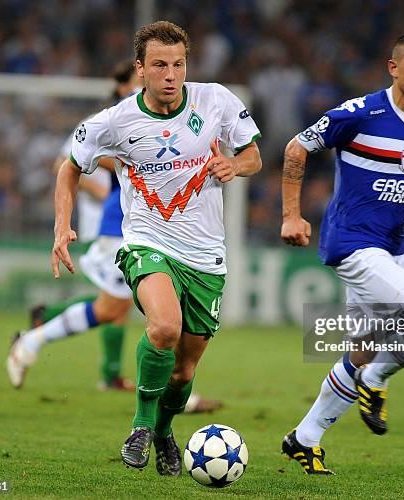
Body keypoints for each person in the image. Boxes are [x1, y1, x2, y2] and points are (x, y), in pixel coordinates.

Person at [51, 21, 262, 476]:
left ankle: (166, 428)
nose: (171, 74)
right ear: (140, 70)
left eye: (179, 64)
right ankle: (142, 426)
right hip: (148, 241)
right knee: (163, 326)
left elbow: (254, 156)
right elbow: (69, 168)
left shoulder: (216, 101)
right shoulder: (114, 122)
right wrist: (61, 227)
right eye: (160, 65)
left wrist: (235, 165)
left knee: (184, 372)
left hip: (206, 257)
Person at [279, 31, 404, 475]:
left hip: (394, 247)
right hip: (352, 243)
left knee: (363, 346)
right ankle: (374, 383)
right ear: (393, 67)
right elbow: (297, 147)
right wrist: (291, 216)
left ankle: (304, 437)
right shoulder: (361, 112)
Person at [6, 60, 140, 391]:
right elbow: (68, 162)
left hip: (141, 224)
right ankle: (174, 393)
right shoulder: (115, 117)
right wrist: (103, 183)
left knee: (117, 307)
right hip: (118, 224)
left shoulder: (163, 111)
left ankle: (38, 336)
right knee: (121, 307)